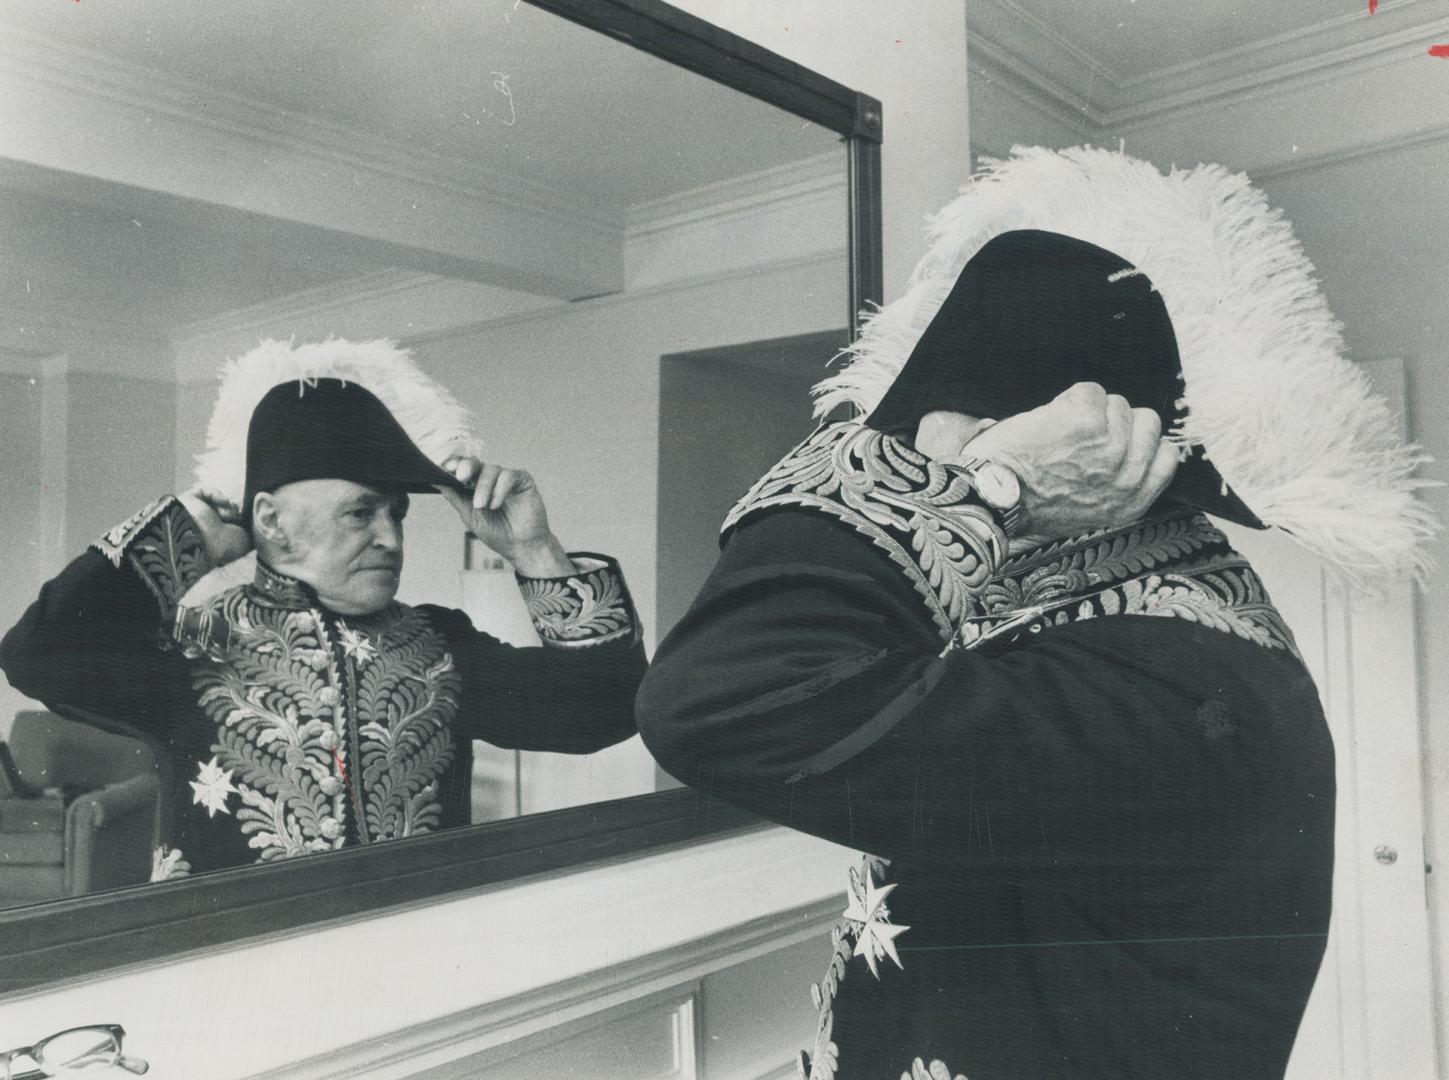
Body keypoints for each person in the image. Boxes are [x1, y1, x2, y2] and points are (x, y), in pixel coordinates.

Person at [636, 147, 1435, 1080]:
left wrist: (994, 489)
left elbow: (713, 700)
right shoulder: (1108, 636)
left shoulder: (1167, 682)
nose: (932, 468)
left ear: (1086, 459)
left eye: (956, 445)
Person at [1, 338, 645, 878]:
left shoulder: (441, 646)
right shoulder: (193, 646)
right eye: (361, 512)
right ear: (270, 522)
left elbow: (608, 709)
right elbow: (37, 654)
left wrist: (534, 549)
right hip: (233, 979)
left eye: (397, 513)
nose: (391, 538)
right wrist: (186, 537)